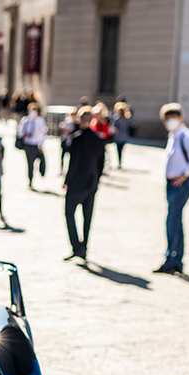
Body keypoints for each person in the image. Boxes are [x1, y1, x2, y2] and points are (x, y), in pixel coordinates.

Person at [153, 104, 189, 275]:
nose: (171, 121)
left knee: (172, 222)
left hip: (180, 184)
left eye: (174, 117)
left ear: (181, 118)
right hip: (173, 183)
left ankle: (172, 259)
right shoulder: (174, 135)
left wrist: (185, 174)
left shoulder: (185, 136)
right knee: (175, 221)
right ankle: (175, 258)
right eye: (168, 118)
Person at [62, 108, 105, 261]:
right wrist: (97, 179)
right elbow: (101, 163)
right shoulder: (98, 139)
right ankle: (84, 247)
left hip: (77, 183)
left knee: (69, 212)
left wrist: (67, 181)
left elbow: (74, 163)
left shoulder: (77, 139)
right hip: (92, 182)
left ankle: (77, 246)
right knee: (87, 217)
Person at [16, 103, 47, 188]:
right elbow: (19, 132)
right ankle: (30, 179)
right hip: (28, 145)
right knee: (30, 164)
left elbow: (43, 133)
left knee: (42, 161)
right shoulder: (25, 120)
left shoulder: (40, 121)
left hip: (37, 144)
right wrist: (24, 134)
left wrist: (41, 144)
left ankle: (42, 172)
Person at [111, 102, 133, 168]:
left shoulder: (117, 118)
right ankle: (120, 161)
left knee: (119, 149)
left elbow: (113, 126)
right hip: (123, 135)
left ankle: (119, 160)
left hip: (120, 135)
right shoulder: (126, 118)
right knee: (120, 149)